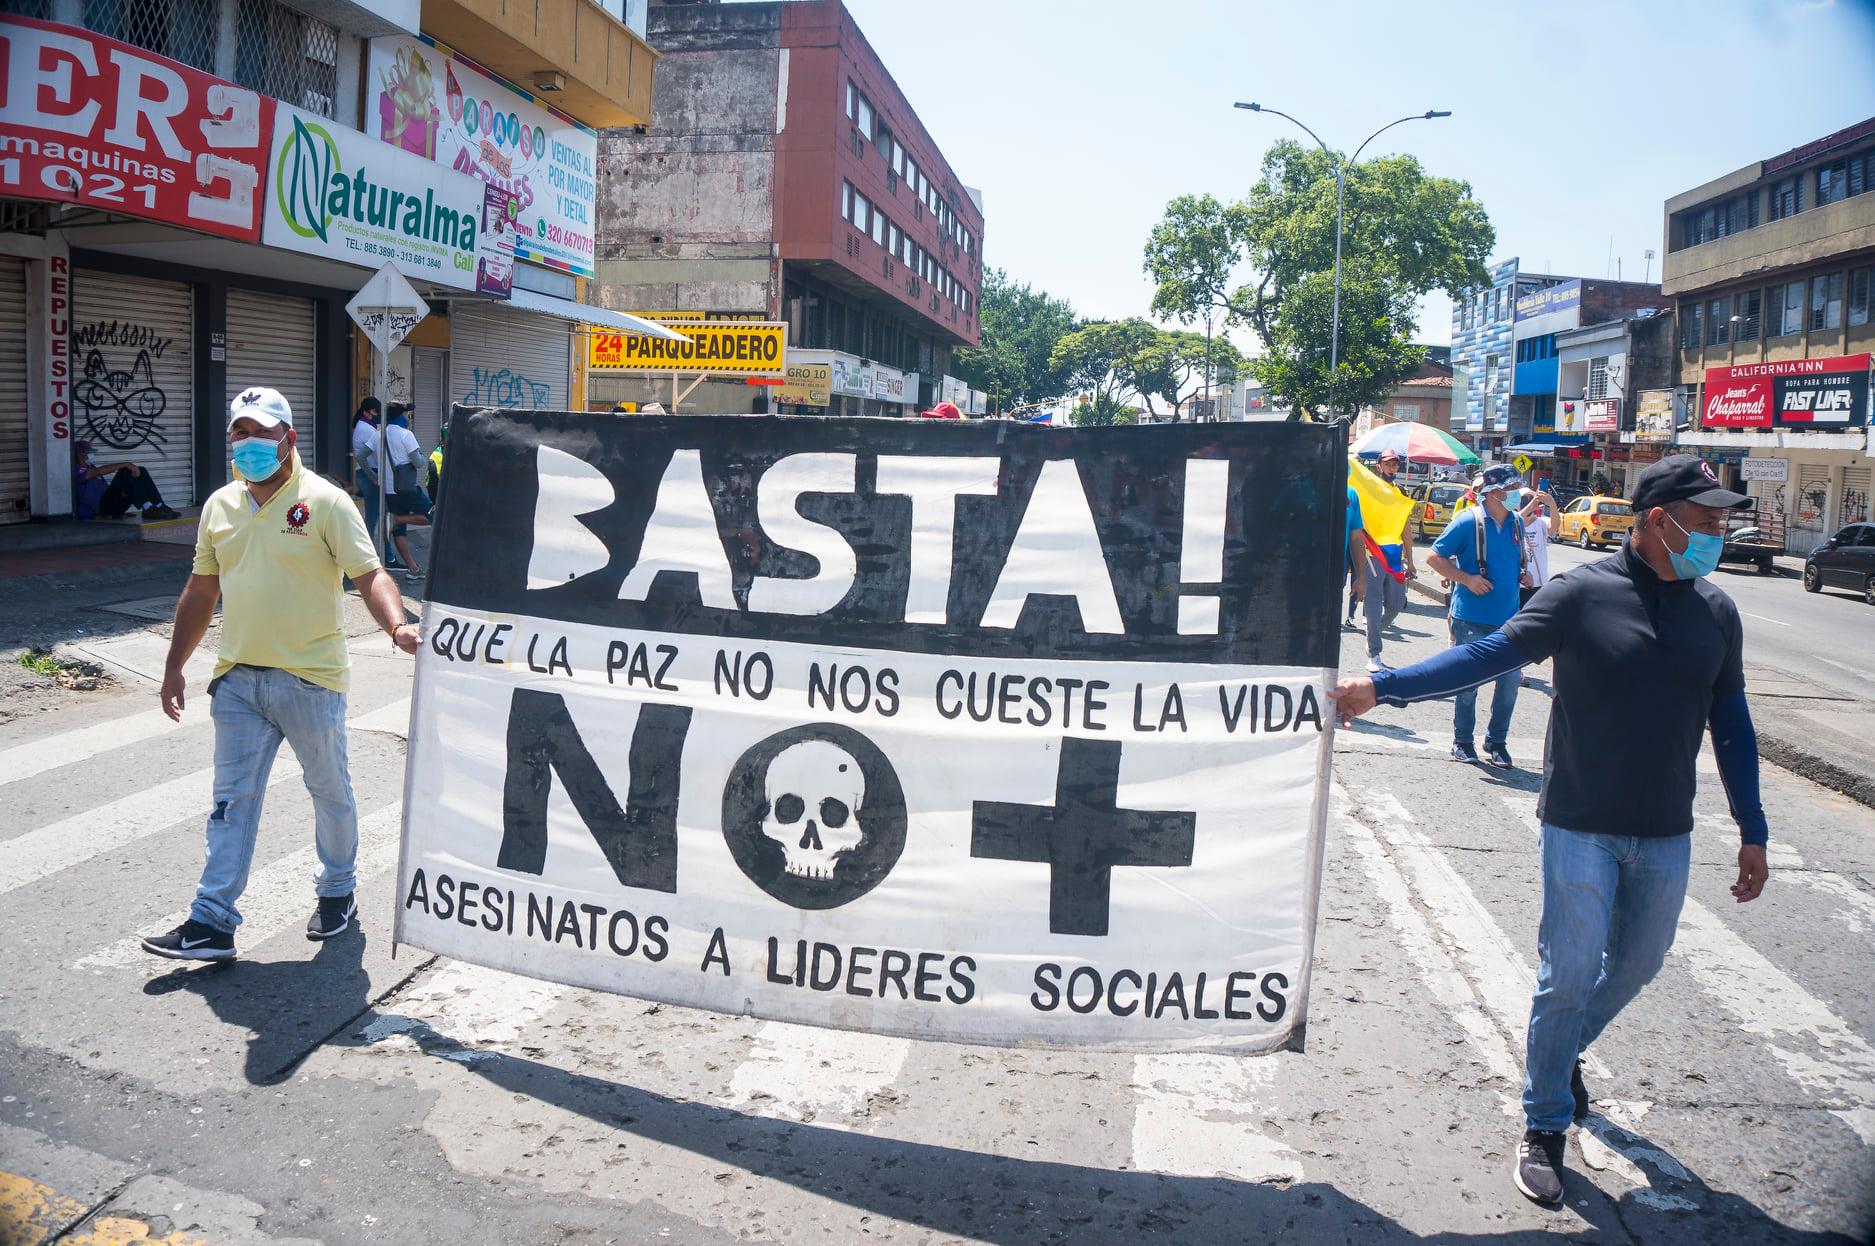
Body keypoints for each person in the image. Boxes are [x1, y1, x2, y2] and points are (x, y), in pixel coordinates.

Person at [1328, 454, 1769, 1209]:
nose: (1717, 532)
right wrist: (1383, 685)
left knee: (1636, 965)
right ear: (1657, 520)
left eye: (1720, 520)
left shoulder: (1714, 611)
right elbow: (1486, 654)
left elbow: (1729, 720)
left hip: (1664, 827)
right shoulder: (1579, 595)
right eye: (1705, 520)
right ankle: (1542, 1124)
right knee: (1564, 974)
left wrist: (1750, 827)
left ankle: (1558, 1055)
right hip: (1579, 821)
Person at [141, 386, 421, 962]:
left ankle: (338, 890)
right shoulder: (220, 506)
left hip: (310, 679)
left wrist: (397, 627)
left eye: (259, 434)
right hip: (239, 678)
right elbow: (201, 589)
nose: (247, 445)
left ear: (288, 439)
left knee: (329, 792)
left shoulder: (325, 502)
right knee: (230, 802)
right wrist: (174, 667)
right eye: (238, 434)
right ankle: (212, 921)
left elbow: (369, 575)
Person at [1424, 464, 1527, 767]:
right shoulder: (1467, 521)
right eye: (1512, 490)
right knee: (1467, 683)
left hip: (1510, 618)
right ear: (1495, 493)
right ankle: (1462, 741)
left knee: (1509, 684)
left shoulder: (1517, 523)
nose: (1517, 495)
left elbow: (1514, 560)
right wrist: (1466, 579)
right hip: (1471, 617)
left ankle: (1497, 741)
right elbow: (1434, 556)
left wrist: (1523, 575)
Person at [1360, 450, 1415, 672]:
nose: (1392, 468)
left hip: (1395, 556)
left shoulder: (1400, 493)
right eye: (1388, 464)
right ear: (1379, 466)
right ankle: (1374, 652)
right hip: (1372, 554)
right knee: (1373, 601)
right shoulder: (1369, 490)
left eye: (1395, 465)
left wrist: (1411, 560)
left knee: (1395, 606)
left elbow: (1406, 528)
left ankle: (1374, 633)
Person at [380, 403, 432, 574]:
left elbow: (363, 455)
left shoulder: (380, 434)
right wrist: (422, 457)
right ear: (399, 416)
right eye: (406, 413)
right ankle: (397, 519)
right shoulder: (405, 434)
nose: (407, 417)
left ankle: (413, 568)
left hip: (388, 490)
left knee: (399, 532)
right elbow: (418, 462)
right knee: (432, 516)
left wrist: (374, 477)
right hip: (406, 488)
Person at [72, 440, 179, 521]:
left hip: (113, 506)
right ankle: (147, 507)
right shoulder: (77, 470)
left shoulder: (91, 467)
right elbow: (98, 472)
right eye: (89, 452)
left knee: (141, 470)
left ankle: (159, 505)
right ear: (80, 454)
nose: (92, 455)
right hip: (102, 509)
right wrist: (126, 464)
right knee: (124, 471)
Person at [350, 397, 384, 546]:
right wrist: (374, 477)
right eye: (376, 411)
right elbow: (376, 453)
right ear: (369, 411)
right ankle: (366, 549)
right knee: (373, 516)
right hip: (369, 474)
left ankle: (367, 548)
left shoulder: (364, 425)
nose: (378, 414)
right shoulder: (366, 428)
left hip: (365, 474)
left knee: (373, 515)